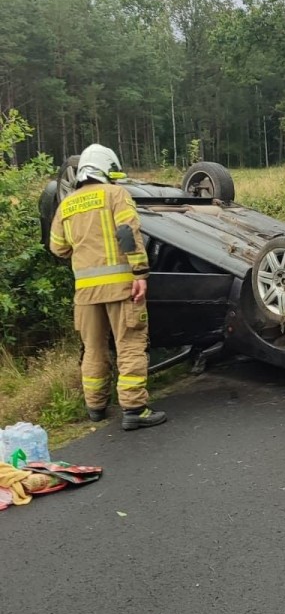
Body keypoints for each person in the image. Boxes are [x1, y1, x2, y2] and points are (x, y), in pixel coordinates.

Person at [49, 144, 166, 431]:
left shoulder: (66, 204)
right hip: (120, 288)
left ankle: (96, 407)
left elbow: (58, 248)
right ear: (105, 168)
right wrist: (140, 273)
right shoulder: (115, 194)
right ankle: (134, 409)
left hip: (85, 293)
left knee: (93, 349)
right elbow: (127, 233)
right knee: (130, 345)